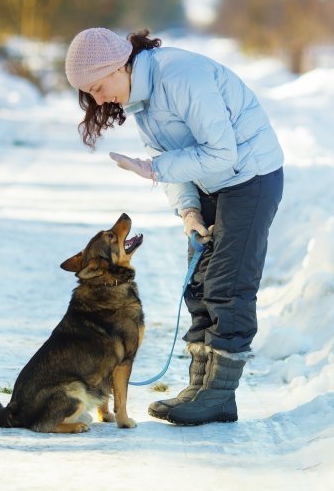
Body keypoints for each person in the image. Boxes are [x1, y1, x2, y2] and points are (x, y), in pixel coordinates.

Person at [64, 27, 284, 426]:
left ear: (119, 65)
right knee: (198, 285)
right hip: (212, 182)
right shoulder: (143, 103)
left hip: (250, 177)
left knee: (227, 287)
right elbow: (173, 158)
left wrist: (152, 170)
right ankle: (200, 389)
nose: (99, 100)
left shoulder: (180, 76)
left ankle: (218, 396)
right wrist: (188, 211)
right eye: (90, 95)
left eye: (98, 87)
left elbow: (221, 152)